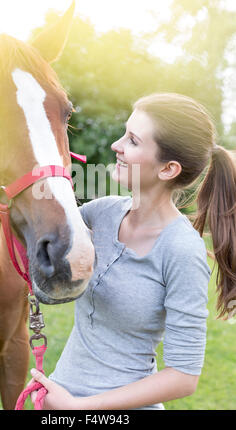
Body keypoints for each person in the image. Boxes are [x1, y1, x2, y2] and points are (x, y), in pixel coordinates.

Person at [29, 92, 236, 410]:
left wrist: (82, 407)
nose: (116, 145)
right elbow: (34, 241)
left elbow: (184, 376)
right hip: (60, 396)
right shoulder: (101, 214)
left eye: (134, 141)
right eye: (124, 133)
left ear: (167, 169)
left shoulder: (181, 250)